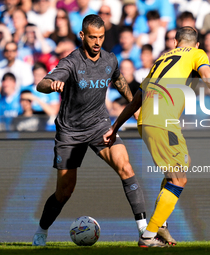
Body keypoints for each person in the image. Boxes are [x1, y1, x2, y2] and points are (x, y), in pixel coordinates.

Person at [103, 26, 210, 247]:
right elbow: (208, 79)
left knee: (183, 164)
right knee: (179, 178)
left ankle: (161, 223)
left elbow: (135, 102)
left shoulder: (159, 61)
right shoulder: (196, 54)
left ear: (175, 43)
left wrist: (115, 127)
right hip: (163, 123)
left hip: (147, 122)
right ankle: (149, 235)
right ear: (196, 44)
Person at [32, 14, 159, 247]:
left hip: (100, 125)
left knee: (125, 166)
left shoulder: (110, 60)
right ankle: (41, 230)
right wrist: (52, 85)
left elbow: (119, 80)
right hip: (70, 132)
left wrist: (135, 108)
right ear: (82, 35)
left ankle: (144, 232)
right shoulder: (71, 62)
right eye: (92, 37)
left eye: (100, 37)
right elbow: (42, 83)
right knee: (64, 192)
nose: (97, 42)